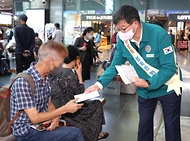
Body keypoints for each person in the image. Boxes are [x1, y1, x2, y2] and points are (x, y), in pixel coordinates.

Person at [85, 5, 182, 141]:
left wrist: (148, 82)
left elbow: (169, 68)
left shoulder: (158, 34)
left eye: (123, 28)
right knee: (144, 126)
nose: (121, 32)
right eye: (118, 29)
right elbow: (115, 66)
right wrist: (98, 85)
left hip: (168, 87)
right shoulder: (123, 40)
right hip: (145, 91)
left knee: (171, 127)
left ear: (135, 23)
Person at [10, 41, 84, 141]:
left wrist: (56, 117)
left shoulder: (46, 77)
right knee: (75, 133)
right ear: (50, 61)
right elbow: (34, 118)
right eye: (61, 61)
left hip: (41, 125)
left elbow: (49, 103)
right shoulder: (24, 82)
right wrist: (64, 109)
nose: (62, 65)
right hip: (26, 132)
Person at [51, 45, 108, 141]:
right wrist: (80, 75)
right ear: (77, 58)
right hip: (69, 111)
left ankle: (98, 132)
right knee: (97, 105)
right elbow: (81, 95)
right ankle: (96, 133)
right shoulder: (70, 75)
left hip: (56, 107)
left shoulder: (55, 72)